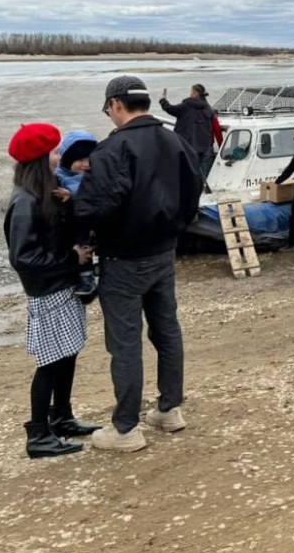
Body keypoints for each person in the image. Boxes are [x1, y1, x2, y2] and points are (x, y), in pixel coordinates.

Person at [74, 76, 203, 453]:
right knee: (166, 330)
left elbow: (97, 207)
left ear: (115, 105)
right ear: (145, 102)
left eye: (108, 109)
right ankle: (169, 409)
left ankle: (126, 427)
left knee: (125, 343)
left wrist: (81, 228)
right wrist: (175, 229)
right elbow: (193, 190)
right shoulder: (174, 139)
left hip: (124, 258)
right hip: (164, 252)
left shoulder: (113, 149)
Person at [5, 123, 101, 459]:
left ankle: (61, 417)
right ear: (40, 158)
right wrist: (70, 258)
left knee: (68, 354)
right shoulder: (25, 201)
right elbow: (23, 258)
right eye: (55, 152)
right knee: (49, 361)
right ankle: (38, 434)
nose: (59, 157)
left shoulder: (46, 192)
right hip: (47, 291)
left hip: (62, 286)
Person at [55, 131, 100, 299]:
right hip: (69, 226)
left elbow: (95, 195)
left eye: (89, 160)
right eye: (79, 160)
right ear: (66, 159)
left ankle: (87, 278)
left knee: (85, 247)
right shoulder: (58, 176)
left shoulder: (95, 176)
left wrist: (73, 196)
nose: (85, 164)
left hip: (88, 226)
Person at [159, 84, 218, 185]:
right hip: (205, 145)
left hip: (188, 145)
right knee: (203, 173)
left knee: (186, 172)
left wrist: (163, 100)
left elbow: (170, 109)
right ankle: (203, 187)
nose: (190, 94)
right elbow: (214, 125)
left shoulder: (186, 106)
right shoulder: (208, 108)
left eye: (191, 92)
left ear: (195, 93)